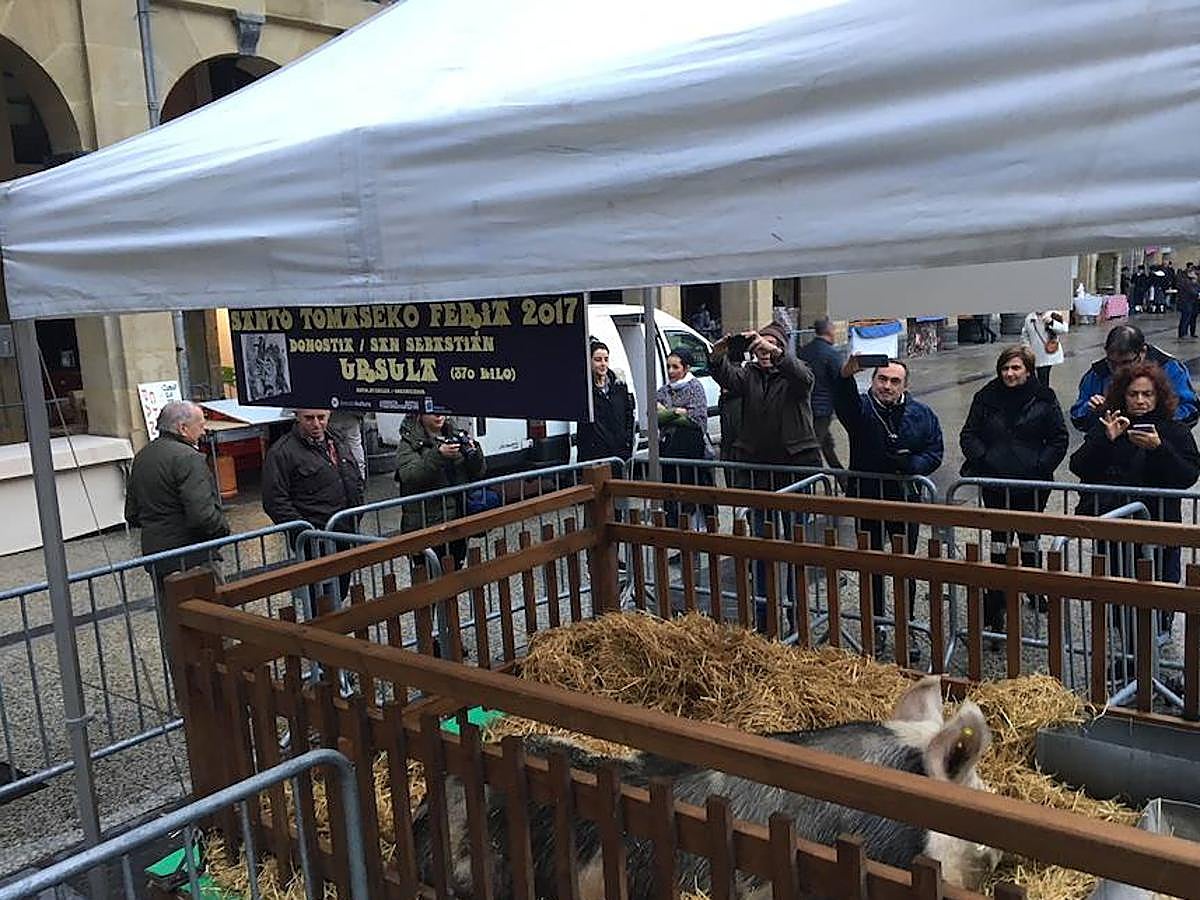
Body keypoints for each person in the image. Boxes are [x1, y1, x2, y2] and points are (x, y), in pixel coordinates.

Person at [1069, 363, 1200, 669]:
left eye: (1147, 394)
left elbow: (1188, 474)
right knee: (1120, 598)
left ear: (1158, 397)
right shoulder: (1112, 423)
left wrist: (1159, 448)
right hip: (1116, 531)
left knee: (1158, 597)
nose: (1140, 401)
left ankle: (1153, 661)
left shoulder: (1173, 429)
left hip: (1158, 530)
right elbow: (1079, 465)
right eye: (1133, 394)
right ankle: (1130, 659)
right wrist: (1106, 438)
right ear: (1123, 396)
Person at [834, 357, 943, 656]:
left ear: (905, 385)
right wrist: (845, 376)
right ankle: (877, 624)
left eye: (894, 381)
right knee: (873, 566)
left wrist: (913, 465)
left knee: (904, 566)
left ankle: (906, 626)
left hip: (904, 499)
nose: (887, 386)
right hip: (867, 498)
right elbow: (842, 404)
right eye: (882, 379)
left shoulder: (921, 413)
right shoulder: (861, 408)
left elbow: (935, 450)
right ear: (873, 381)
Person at [959, 347, 1069, 635]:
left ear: (1028, 371)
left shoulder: (1044, 397)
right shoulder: (985, 397)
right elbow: (968, 434)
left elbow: (1059, 438)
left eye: (1016, 368)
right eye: (1006, 368)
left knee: (1030, 537)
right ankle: (998, 594)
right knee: (999, 539)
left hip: (1031, 483)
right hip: (996, 482)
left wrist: (1039, 466)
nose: (1010, 373)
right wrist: (984, 460)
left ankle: (1033, 588)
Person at [125, 401, 230, 590]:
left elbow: (131, 514)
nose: (204, 432)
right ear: (183, 428)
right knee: (212, 614)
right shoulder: (188, 458)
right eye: (201, 426)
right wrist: (222, 530)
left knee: (170, 615)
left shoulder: (141, 457)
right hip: (192, 556)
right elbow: (202, 515)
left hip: (158, 557)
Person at [711, 320, 819, 483]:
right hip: (758, 460)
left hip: (793, 459)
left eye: (770, 345)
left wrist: (775, 352)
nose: (764, 351)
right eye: (760, 346)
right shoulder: (750, 373)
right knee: (759, 507)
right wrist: (718, 356)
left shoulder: (795, 371)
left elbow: (804, 379)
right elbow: (728, 378)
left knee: (792, 506)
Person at [394, 412, 487, 573]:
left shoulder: (455, 433)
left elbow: (478, 472)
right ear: (420, 415)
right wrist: (438, 455)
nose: (438, 416)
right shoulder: (409, 442)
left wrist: (474, 452)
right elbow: (409, 475)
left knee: (454, 573)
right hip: (427, 525)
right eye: (431, 411)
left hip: (456, 522)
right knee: (429, 579)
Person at [1069, 325, 1199, 432]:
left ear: (1142, 352)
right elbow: (1078, 416)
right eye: (1112, 363)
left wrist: (1156, 418)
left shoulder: (1170, 368)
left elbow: (1190, 411)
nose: (1118, 370)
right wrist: (1091, 409)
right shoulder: (1097, 373)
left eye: (1126, 362)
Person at [263, 407, 365, 538]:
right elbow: (275, 501)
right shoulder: (281, 453)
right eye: (309, 418)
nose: (316, 424)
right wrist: (305, 531)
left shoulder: (337, 440)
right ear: (297, 416)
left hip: (348, 529)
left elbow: (354, 476)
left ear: (329, 414)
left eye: (321, 418)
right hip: (315, 538)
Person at [656, 348, 715, 528]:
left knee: (693, 498)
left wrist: (667, 413)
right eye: (668, 367)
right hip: (670, 452)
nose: (671, 372)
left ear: (686, 368)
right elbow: (655, 417)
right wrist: (676, 412)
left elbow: (697, 421)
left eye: (675, 367)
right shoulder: (663, 390)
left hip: (692, 454)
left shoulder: (695, 387)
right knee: (673, 500)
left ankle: (695, 543)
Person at [577, 340, 635, 471]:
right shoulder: (584, 389)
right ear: (589, 361)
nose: (603, 364)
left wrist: (627, 443)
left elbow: (628, 415)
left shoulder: (619, 386)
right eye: (598, 359)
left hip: (618, 454)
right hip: (595, 455)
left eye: (606, 359)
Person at [798, 318, 846, 469]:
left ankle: (844, 481)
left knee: (826, 445)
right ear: (830, 331)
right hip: (822, 408)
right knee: (814, 448)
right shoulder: (832, 355)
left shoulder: (804, 351)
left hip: (805, 405)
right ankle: (811, 479)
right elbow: (840, 381)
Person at [1021, 309, 1068, 388]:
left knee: (1043, 376)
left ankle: (1043, 394)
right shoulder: (1030, 317)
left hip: (1048, 353)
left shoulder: (1053, 314)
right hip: (1034, 352)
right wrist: (1026, 347)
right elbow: (1025, 334)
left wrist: (1051, 322)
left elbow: (1064, 329)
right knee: (1034, 376)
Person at [1177, 269, 1199, 339]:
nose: (1195, 275)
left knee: (1192, 318)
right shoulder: (1186, 282)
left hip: (1194, 303)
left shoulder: (1195, 283)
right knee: (1185, 318)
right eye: (1193, 273)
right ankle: (1183, 333)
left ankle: (1192, 332)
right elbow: (1191, 291)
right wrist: (1197, 294)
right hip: (1186, 302)